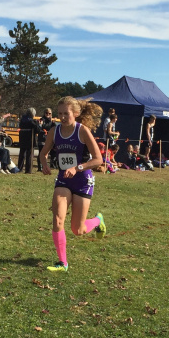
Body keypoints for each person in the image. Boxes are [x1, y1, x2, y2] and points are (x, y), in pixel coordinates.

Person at [40, 96, 106, 272]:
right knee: (57, 218)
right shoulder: (55, 131)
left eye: (66, 113)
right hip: (63, 179)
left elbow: (98, 159)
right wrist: (44, 164)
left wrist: (78, 168)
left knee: (78, 229)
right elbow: (43, 153)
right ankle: (63, 263)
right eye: (59, 113)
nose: (62, 117)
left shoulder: (82, 131)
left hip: (83, 180)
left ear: (75, 114)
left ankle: (98, 220)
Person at [17, 108, 36, 174]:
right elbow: (37, 129)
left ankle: (19, 168)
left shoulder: (22, 119)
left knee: (22, 154)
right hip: (30, 140)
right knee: (29, 155)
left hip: (22, 138)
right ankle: (28, 170)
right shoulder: (31, 121)